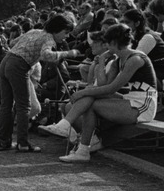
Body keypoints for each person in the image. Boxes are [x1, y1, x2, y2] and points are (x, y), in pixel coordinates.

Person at [56, 23, 158, 164]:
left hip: (143, 105)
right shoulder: (118, 60)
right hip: (130, 99)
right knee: (90, 98)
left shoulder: (135, 59)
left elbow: (111, 88)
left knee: (90, 100)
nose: (106, 46)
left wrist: (83, 92)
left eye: (108, 43)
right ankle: (69, 130)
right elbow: (103, 84)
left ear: (115, 43)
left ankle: (78, 143)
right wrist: (102, 61)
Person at [0, 14, 78, 152]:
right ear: (57, 29)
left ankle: (3, 141)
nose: (67, 36)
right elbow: (46, 55)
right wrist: (68, 53)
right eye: (65, 32)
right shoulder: (49, 39)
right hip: (18, 65)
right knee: (24, 106)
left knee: (6, 104)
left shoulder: (35, 31)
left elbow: (12, 43)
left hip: (6, 62)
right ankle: (23, 143)